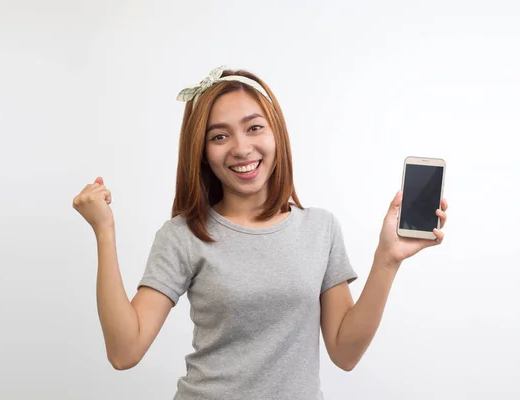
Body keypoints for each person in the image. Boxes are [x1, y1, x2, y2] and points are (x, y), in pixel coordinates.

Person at [72, 65, 448, 400]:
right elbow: (125, 352)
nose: (241, 148)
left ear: (276, 134)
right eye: (219, 137)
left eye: (254, 128)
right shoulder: (183, 235)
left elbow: (345, 354)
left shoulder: (320, 228)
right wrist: (104, 231)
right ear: (201, 152)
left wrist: (387, 259)